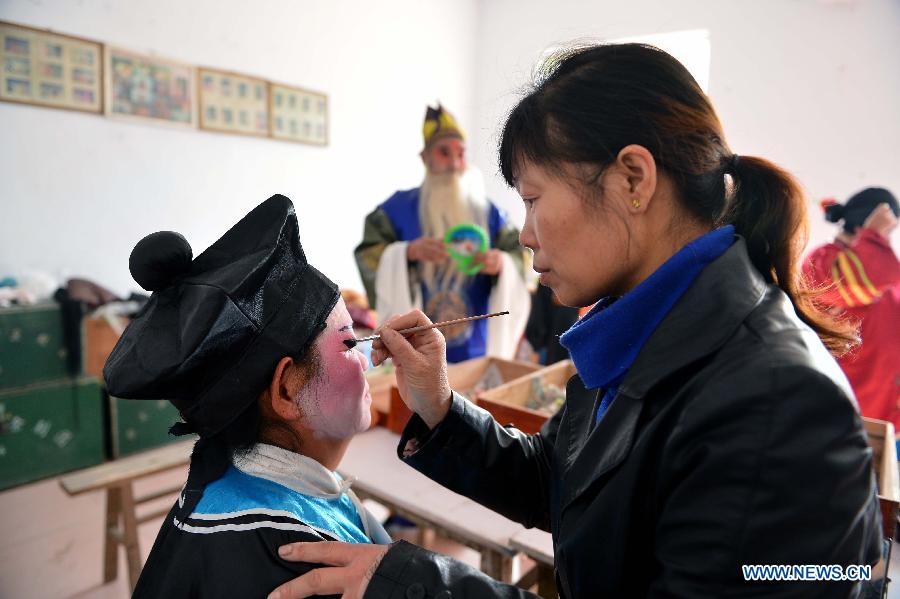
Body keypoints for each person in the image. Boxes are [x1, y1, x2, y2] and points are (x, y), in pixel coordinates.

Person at [269, 44, 883, 599]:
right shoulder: (638, 331)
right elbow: (564, 481)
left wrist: (422, 586)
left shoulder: (774, 403)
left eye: (534, 199)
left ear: (633, 179)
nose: (525, 235)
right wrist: (437, 403)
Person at [103, 195, 390, 598]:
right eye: (348, 345)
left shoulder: (246, 482)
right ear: (287, 390)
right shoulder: (295, 559)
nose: (366, 360)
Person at [354, 104, 529, 362]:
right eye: (444, 153)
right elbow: (369, 254)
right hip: (416, 346)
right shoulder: (395, 210)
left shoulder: (489, 213)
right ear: (425, 158)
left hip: (475, 348)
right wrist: (407, 253)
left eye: (461, 154)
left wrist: (502, 263)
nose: (455, 163)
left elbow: (522, 253)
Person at [803, 188, 900, 433]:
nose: (887, 241)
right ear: (863, 227)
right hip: (842, 413)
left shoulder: (885, 274)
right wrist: (873, 236)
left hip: (886, 413)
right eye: (888, 231)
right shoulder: (822, 262)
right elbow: (867, 278)